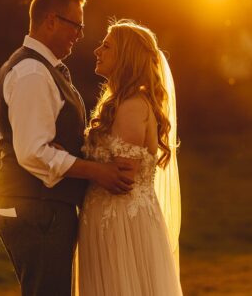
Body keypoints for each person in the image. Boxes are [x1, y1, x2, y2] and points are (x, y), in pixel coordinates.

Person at [0, 0, 134, 296]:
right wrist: (98, 171)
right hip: (36, 206)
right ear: (51, 21)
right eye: (76, 25)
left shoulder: (42, 69)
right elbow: (33, 153)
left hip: (41, 204)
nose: (80, 34)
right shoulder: (32, 73)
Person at [76, 19, 182, 295]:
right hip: (110, 218)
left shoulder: (133, 106)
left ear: (126, 57)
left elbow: (123, 176)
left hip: (120, 223)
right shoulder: (123, 102)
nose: (98, 50)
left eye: (107, 46)